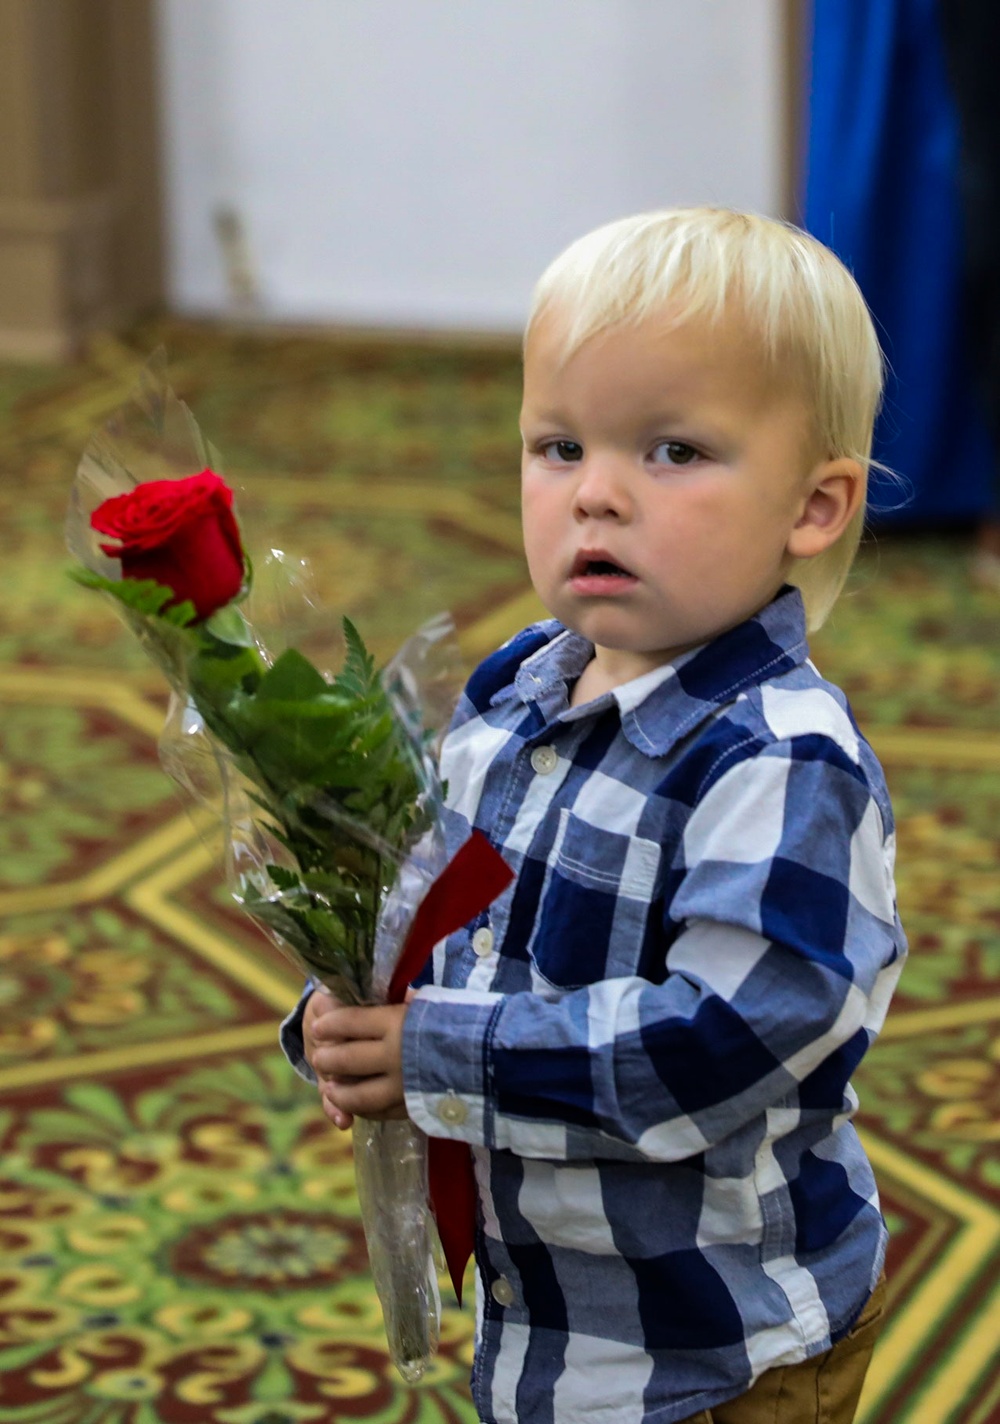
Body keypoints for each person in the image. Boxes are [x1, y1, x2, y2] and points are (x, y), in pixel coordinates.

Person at [281, 208, 906, 1424]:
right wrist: (345, 1012)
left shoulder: (781, 764)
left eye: (672, 451)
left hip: (719, 1353)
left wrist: (437, 1048)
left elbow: (716, 1042)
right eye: (558, 445)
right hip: (553, 1327)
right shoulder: (514, 691)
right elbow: (442, 926)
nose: (597, 496)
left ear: (813, 504)